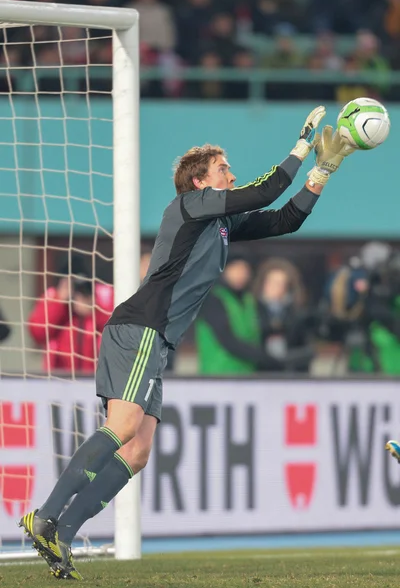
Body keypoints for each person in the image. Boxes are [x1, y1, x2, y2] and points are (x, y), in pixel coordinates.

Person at [19, 107, 355, 580]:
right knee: (125, 424)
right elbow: (266, 189)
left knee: (138, 451)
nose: (232, 175)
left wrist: (323, 170)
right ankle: (46, 516)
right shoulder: (187, 208)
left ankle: (63, 536)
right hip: (142, 327)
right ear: (200, 182)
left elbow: (284, 220)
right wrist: (301, 147)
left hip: (159, 341)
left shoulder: (218, 225)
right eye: (223, 169)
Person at [195, 254, 280, 375]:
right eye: (235, 269)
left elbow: (261, 331)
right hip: (217, 376)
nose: (240, 275)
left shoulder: (250, 300)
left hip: (248, 374)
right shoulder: (213, 299)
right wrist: (263, 356)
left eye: (244, 270)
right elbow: (227, 339)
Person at [28, 256, 113, 374]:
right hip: (58, 377)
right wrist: (60, 302)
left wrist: (93, 311)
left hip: (97, 376)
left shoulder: (104, 295)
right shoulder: (52, 296)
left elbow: (119, 332)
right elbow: (37, 333)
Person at [253, 258, 315, 372]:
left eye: (282, 283)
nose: (277, 288)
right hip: (259, 373)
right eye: (273, 282)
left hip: (289, 374)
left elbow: (307, 349)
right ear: (263, 283)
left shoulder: (297, 313)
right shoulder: (251, 309)